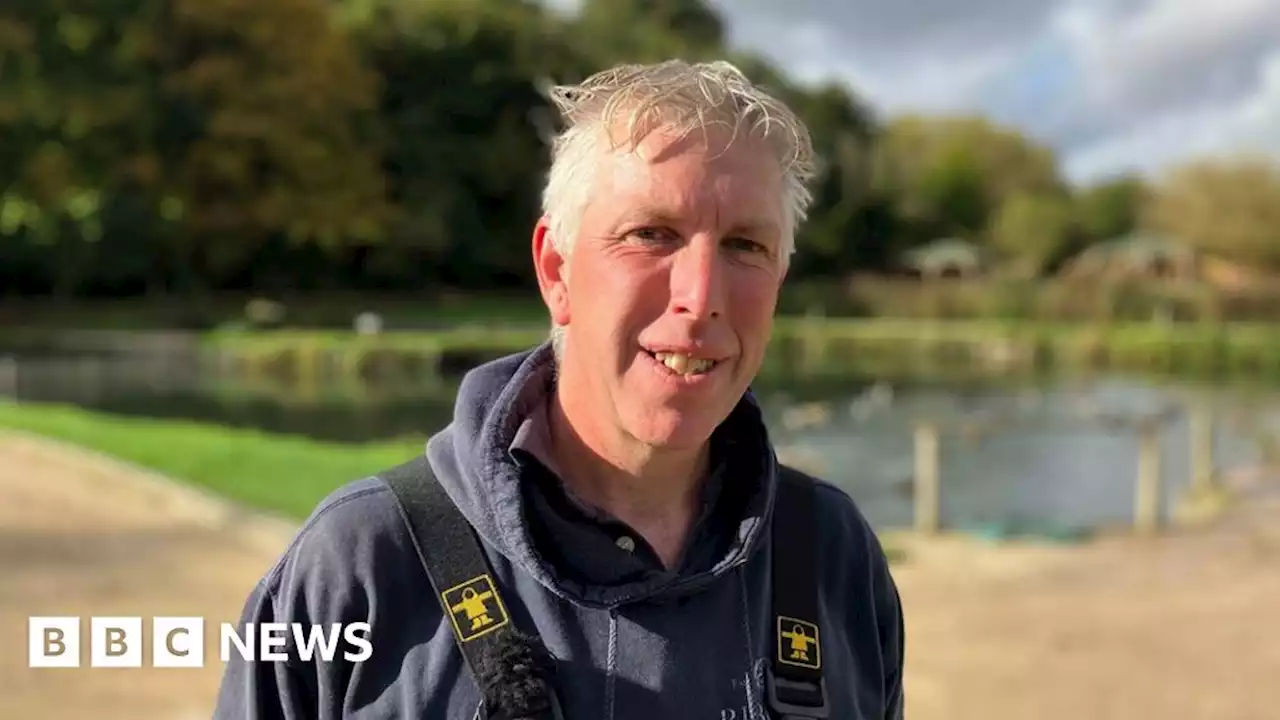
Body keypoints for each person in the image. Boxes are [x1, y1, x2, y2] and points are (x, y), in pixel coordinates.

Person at [213, 59, 905, 720]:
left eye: (746, 246)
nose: (701, 297)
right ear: (556, 271)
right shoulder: (358, 564)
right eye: (651, 234)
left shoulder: (832, 558)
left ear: (780, 279)